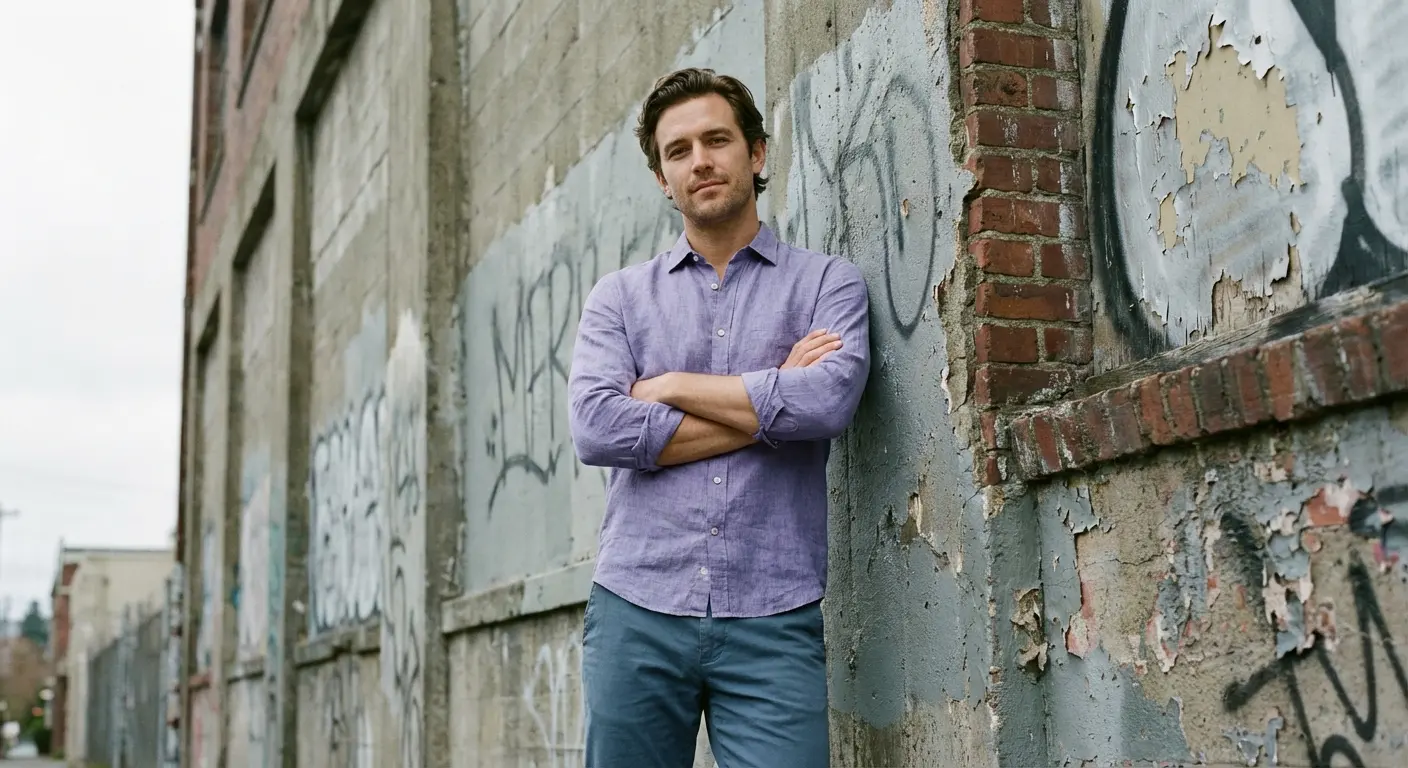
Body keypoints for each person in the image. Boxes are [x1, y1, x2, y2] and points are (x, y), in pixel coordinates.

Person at [567, 67, 871, 767]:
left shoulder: (827, 284)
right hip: (637, 605)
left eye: (716, 140)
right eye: (678, 151)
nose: (699, 160)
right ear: (661, 178)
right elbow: (596, 428)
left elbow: (825, 401)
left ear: (757, 152)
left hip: (774, 609)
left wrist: (669, 385)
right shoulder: (618, 299)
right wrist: (772, 398)